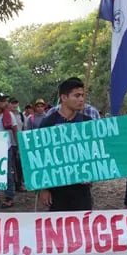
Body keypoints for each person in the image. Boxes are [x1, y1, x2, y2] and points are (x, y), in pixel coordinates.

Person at [38, 77, 93, 211]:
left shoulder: (88, 122)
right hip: (57, 189)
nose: (81, 99)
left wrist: (91, 173)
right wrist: (44, 188)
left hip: (82, 188)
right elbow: (41, 156)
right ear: (64, 97)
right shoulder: (48, 123)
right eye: (77, 95)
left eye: (83, 95)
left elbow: (94, 153)